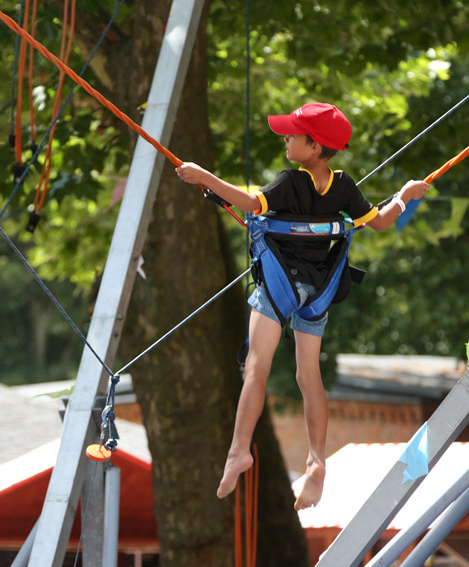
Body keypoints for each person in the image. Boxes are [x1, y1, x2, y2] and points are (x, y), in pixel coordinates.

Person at [175, 102, 429, 509]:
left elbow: (249, 203)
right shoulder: (344, 186)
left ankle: (238, 451)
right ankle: (316, 460)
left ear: (314, 146)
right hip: (319, 290)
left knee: (256, 368)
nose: (285, 139)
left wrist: (201, 175)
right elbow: (380, 220)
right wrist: (404, 195)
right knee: (308, 375)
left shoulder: (290, 182)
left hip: (280, 286)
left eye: (292, 135)